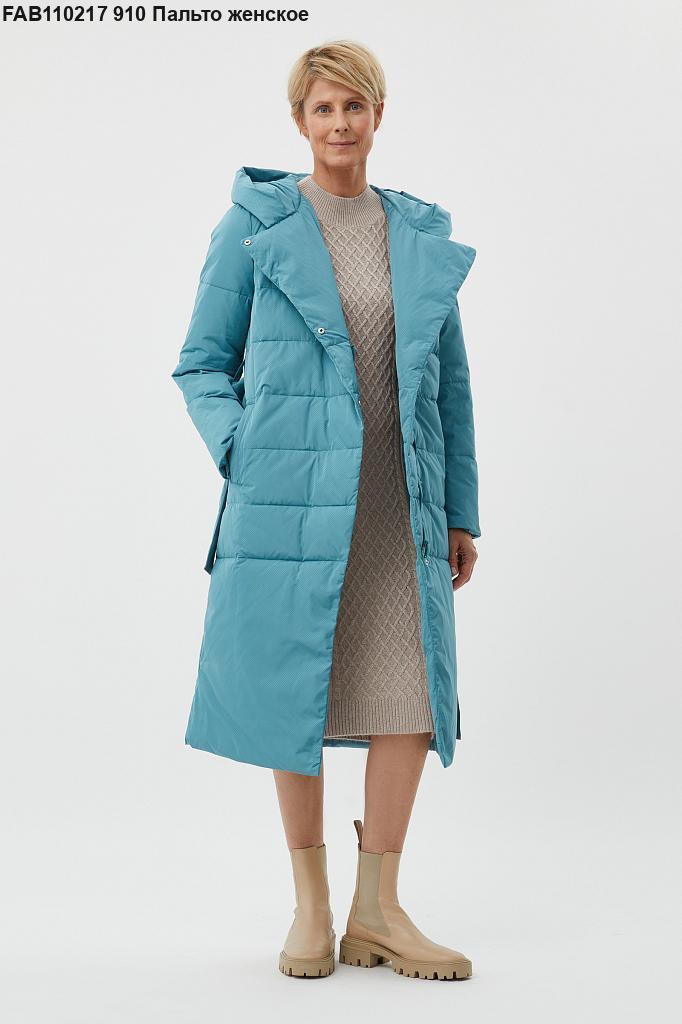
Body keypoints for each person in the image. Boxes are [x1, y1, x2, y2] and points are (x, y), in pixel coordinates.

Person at [172, 39, 481, 981]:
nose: (339, 124)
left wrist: (461, 510)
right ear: (299, 122)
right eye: (322, 109)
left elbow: (450, 387)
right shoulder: (256, 226)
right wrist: (247, 452)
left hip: (401, 500)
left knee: (410, 694)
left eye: (354, 106)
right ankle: (310, 905)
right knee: (292, 689)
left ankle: (376, 910)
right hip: (292, 504)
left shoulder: (416, 234)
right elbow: (200, 364)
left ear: (378, 115)